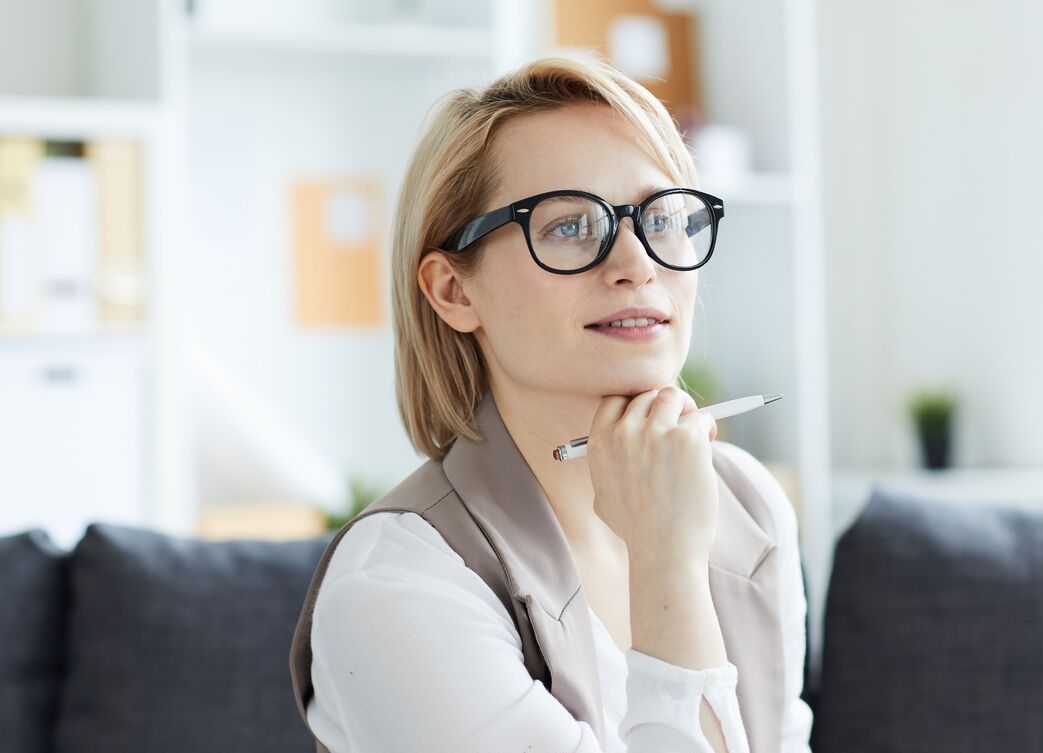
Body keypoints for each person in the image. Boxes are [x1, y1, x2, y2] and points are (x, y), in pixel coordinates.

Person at [289, 56, 814, 753]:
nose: (637, 262)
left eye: (661, 217)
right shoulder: (395, 586)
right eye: (570, 226)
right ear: (454, 290)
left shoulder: (751, 506)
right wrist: (665, 564)